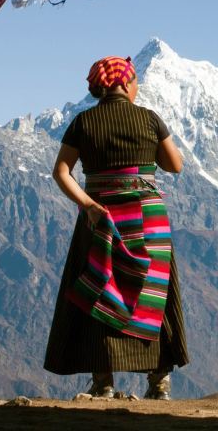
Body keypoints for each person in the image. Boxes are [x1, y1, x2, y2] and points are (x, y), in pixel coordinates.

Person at [44, 56, 189, 400]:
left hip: (101, 217)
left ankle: (103, 383)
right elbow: (175, 165)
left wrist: (90, 205)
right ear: (124, 84)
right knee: (152, 292)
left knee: (100, 287)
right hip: (147, 218)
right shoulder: (150, 119)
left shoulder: (84, 122)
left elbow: (61, 171)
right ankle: (159, 383)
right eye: (135, 80)